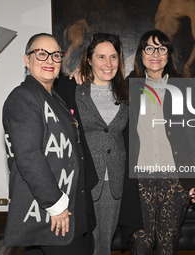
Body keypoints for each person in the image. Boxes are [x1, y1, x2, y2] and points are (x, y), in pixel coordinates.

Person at [2, 33, 98, 255]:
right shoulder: (24, 97)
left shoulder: (52, 96)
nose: (50, 60)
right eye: (41, 53)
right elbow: (28, 156)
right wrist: (56, 205)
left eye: (55, 55)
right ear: (27, 60)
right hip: (52, 212)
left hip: (66, 206)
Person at [56, 33, 142, 255]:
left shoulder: (128, 90)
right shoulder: (71, 87)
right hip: (83, 178)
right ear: (89, 60)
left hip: (113, 178)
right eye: (101, 56)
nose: (108, 63)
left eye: (113, 57)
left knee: (104, 242)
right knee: (81, 241)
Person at [127, 29, 195, 255]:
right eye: (149, 48)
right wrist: (77, 76)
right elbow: (99, 88)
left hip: (174, 177)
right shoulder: (129, 84)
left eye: (162, 48)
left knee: (167, 245)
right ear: (141, 54)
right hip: (139, 178)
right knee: (140, 243)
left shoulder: (182, 87)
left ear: (169, 54)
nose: (155, 53)